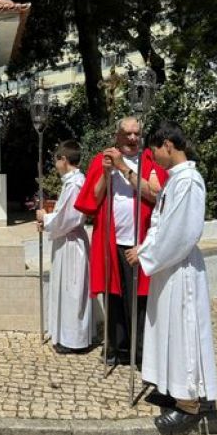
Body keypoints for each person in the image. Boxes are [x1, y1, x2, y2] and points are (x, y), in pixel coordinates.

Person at [125, 122, 217, 435]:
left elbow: (182, 232)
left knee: (182, 334)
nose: (153, 159)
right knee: (164, 330)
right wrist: (146, 248)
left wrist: (148, 256)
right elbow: (160, 224)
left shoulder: (189, 181)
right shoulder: (174, 181)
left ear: (168, 145)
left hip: (179, 270)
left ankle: (190, 408)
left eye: (154, 152)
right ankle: (173, 389)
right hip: (165, 267)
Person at [75, 116, 167, 365]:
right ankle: (116, 347)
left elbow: (157, 197)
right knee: (112, 294)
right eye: (127, 134)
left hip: (141, 241)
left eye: (136, 133)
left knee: (139, 298)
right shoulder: (101, 160)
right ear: (117, 136)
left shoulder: (150, 160)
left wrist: (125, 170)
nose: (132, 139)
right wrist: (106, 174)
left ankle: (141, 352)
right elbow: (92, 201)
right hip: (111, 239)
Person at [36, 140, 93, 353]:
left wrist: (46, 218)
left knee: (73, 290)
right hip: (66, 241)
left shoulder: (76, 183)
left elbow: (70, 217)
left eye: (57, 160)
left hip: (72, 243)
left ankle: (74, 340)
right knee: (66, 289)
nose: (55, 165)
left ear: (64, 160)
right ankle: (65, 335)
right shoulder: (71, 182)